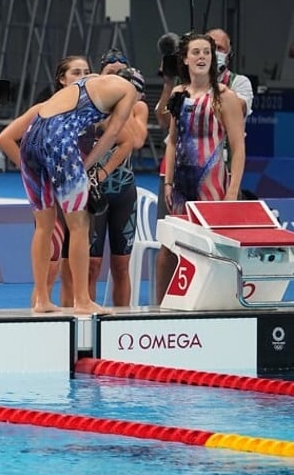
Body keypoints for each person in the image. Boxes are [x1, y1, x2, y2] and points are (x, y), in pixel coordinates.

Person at [18, 73, 136, 315]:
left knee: (44, 225)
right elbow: (113, 134)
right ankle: (82, 300)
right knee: (80, 224)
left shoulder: (89, 81)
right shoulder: (128, 90)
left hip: (31, 136)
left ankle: (41, 299)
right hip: (60, 139)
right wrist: (88, 166)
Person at [154, 32, 246, 304]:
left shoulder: (225, 97)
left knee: (212, 251)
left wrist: (231, 194)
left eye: (206, 52)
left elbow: (238, 148)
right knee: (170, 249)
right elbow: (172, 141)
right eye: (196, 52)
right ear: (185, 59)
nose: (202, 57)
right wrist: (168, 183)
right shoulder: (179, 94)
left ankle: (215, 307)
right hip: (180, 188)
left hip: (212, 189)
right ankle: (161, 310)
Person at [0, 55, 89, 309]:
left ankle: (79, 310)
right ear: (62, 79)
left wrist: (95, 169)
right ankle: (41, 304)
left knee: (79, 265)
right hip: (53, 196)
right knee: (52, 266)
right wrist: (34, 172)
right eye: (75, 73)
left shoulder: (91, 113)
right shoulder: (43, 110)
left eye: (86, 72)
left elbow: (127, 139)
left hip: (77, 192)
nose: (82, 78)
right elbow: (5, 138)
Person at [82, 52, 147, 307]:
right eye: (112, 73)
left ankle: (123, 323)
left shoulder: (137, 107)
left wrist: (125, 103)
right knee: (91, 265)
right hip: (94, 191)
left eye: (124, 74)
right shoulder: (91, 104)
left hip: (124, 193)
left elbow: (138, 140)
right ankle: (88, 320)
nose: (119, 79)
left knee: (121, 265)